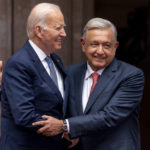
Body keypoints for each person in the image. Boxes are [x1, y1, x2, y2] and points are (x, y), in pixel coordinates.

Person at [33, 17, 145, 150]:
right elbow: (51, 104)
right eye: (94, 44)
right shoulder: (69, 73)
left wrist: (64, 125)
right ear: (83, 44)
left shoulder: (131, 75)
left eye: (107, 45)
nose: (100, 51)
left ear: (115, 47)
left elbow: (109, 116)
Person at [0, 3, 69, 150]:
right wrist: (64, 130)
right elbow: (25, 116)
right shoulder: (19, 63)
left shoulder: (55, 60)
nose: (64, 33)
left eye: (63, 28)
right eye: (58, 28)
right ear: (39, 30)